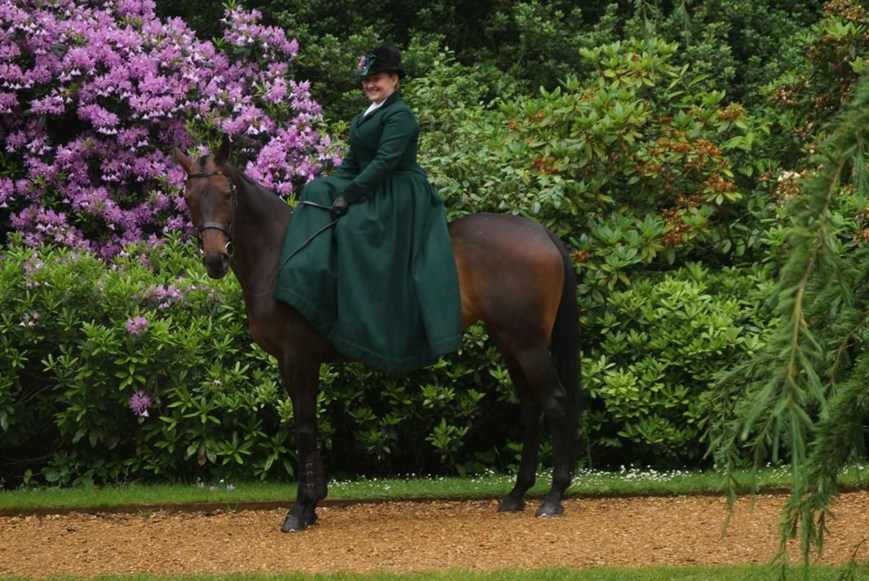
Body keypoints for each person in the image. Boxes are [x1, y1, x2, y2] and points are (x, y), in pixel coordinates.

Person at [273, 44, 463, 372]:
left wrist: (349, 195)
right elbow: (351, 164)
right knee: (314, 191)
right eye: (366, 80)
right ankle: (302, 279)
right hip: (371, 184)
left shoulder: (400, 115)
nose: (370, 85)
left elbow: (385, 162)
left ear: (394, 81)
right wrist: (330, 187)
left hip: (399, 190)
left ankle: (365, 317)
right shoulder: (362, 118)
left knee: (352, 227)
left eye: (376, 79)